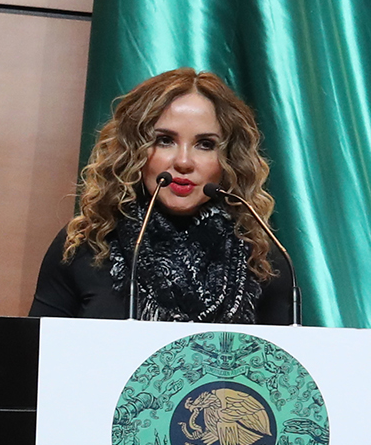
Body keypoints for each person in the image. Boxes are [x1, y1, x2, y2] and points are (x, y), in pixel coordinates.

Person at [31, 69, 296, 323]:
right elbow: (35, 350)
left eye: (205, 144)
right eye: (165, 140)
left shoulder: (260, 258)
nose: (183, 162)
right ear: (134, 151)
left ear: (229, 159)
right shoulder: (86, 243)